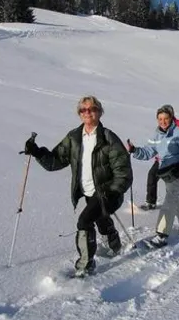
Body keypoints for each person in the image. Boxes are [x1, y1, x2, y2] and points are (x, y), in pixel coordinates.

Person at [23, 95, 133, 277]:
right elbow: (55, 161)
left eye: (92, 109)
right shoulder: (74, 137)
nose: (88, 113)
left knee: (85, 221)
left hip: (108, 192)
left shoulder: (108, 138)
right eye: (83, 110)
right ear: (79, 113)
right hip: (89, 191)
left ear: (99, 112)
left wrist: (113, 190)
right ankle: (114, 244)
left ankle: (85, 266)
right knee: (100, 218)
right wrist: (37, 152)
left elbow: (123, 171)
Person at [127, 105, 179, 248]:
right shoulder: (156, 134)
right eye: (160, 119)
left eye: (166, 118)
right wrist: (134, 150)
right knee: (178, 202)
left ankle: (162, 235)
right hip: (166, 173)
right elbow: (149, 151)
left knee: (169, 203)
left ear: (171, 118)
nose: (163, 121)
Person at [144, 104, 179, 211]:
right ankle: (151, 202)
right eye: (160, 118)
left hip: (176, 161)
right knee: (152, 176)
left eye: (167, 116)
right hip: (161, 159)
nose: (163, 121)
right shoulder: (161, 127)